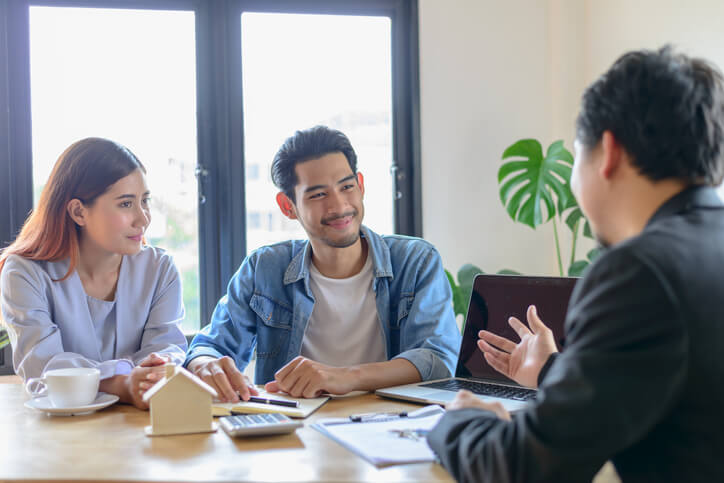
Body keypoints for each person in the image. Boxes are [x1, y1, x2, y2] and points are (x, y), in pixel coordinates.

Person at [427, 46, 724, 482]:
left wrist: (459, 419)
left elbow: (525, 468)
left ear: (608, 151)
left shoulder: (640, 271)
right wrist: (551, 371)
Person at [185, 125, 461, 401]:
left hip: (392, 424)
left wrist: (345, 377)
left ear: (361, 185)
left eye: (347, 187)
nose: (339, 206)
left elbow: (437, 359)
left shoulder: (415, 261)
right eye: (318, 195)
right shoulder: (264, 268)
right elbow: (209, 347)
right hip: (295, 431)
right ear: (287, 206)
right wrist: (205, 364)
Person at [0, 138, 188, 409]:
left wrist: (152, 372)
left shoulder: (160, 269)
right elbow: (43, 368)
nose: (143, 218)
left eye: (144, 201)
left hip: (141, 427)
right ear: (78, 212)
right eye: (125, 204)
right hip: (61, 434)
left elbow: (166, 350)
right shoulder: (24, 273)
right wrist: (124, 383)